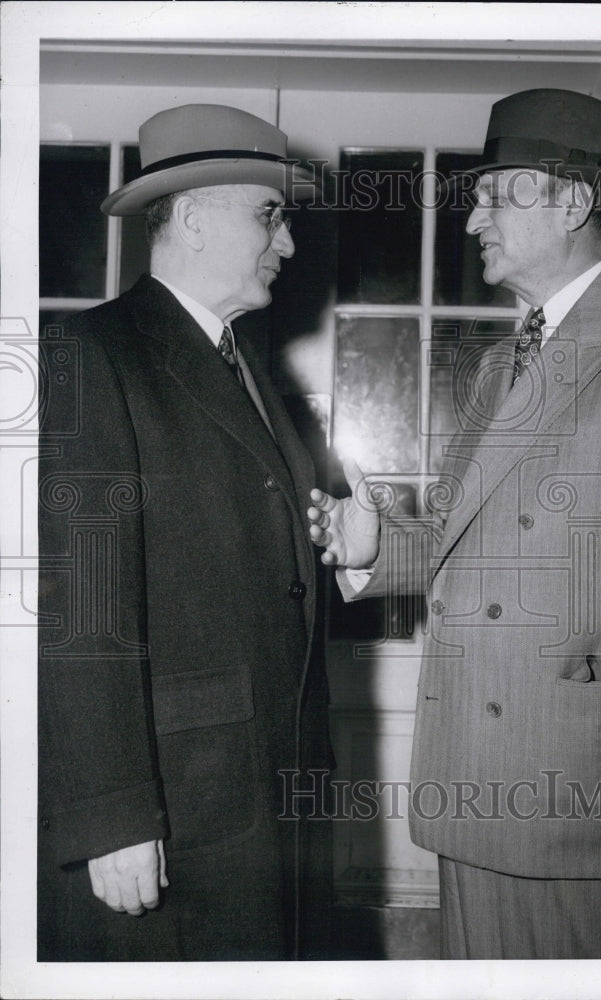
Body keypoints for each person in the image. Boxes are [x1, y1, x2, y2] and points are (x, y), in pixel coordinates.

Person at [308, 89, 601, 959]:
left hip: (574, 796)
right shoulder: (504, 357)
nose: (471, 224)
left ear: (572, 203)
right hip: (470, 782)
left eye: (497, 197)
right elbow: (467, 543)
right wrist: (375, 543)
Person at [38, 104, 332, 961]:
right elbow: (83, 606)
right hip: (173, 809)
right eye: (268, 215)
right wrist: (112, 812)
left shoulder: (239, 365)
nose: (287, 243)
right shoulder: (95, 353)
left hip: (258, 795)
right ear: (196, 216)